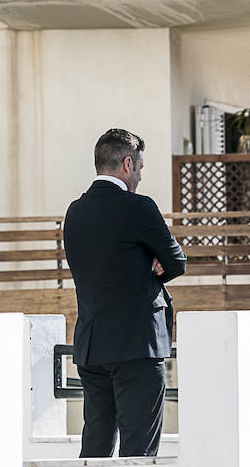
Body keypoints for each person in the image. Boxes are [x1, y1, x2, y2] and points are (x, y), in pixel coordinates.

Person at [63, 128, 187, 457]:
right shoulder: (138, 208)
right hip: (137, 347)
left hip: (92, 347)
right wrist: (153, 258)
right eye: (141, 168)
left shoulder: (74, 213)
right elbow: (176, 261)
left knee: (96, 447)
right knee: (138, 451)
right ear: (127, 164)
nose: (141, 176)